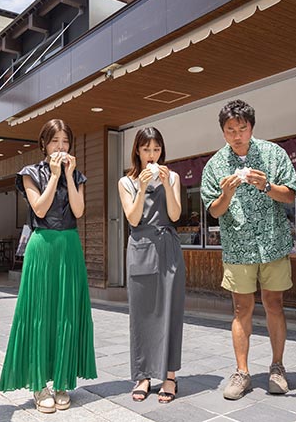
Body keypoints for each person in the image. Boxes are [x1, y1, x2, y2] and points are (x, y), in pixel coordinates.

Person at [0, 119, 97, 413]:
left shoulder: (76, 175)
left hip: (69, 246)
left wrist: (67, 175)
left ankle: (63, 382)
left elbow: (79, 210)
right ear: (43, 144)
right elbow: (39, 208)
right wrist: (54, 176)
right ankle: (39, 384)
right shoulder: (29, 174)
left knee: (67, 312)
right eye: (55, 141)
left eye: (65, 141)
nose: (61, 147)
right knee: (39, 312)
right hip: (42, 246)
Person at [200, 100, 296, 400]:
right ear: (223, 131)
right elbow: (214, 211)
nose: (237, 135)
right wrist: (226, 194)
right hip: (238, 247)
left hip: (273, 243)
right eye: (231, 130)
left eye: (242, 128)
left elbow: (291, 194)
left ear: (251, 127)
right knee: (241, 308)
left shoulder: (272, 154)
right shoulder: (215, 165)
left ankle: (277, 367)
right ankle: (242, 372)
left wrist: (267, 185)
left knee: (274, 304)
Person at [118, 127, 186, 404]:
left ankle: (169, 376)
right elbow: (133, 219)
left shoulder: (174, 176)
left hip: (168, 247)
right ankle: (143, 375)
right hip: (140, 248)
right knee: (141, 314)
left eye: (156, 149)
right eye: (146, 149)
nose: (151, 155)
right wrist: (143, 185)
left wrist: (167, 184)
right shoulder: (126, 182)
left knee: (171, 310)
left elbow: (175, 214)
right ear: (137, 150)